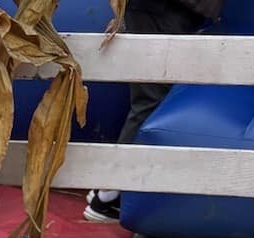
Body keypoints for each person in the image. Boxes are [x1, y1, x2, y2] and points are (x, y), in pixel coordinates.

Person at [85, 0, 223, 224]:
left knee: (151, 98)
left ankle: (108, 188)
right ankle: (108, 194)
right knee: (153, 100)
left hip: (163, 10)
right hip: (164, 10)